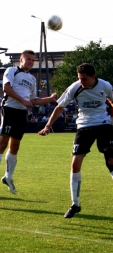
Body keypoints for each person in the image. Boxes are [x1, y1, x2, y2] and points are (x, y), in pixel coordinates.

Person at [38, 63, 113, 218]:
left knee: (111, 158)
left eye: (84, 79)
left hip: (104, 124)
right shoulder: (75, 87)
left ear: (93, 77)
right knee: (75, 164)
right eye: (79, 78)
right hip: (84, 126)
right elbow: (59, 107)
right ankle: (75, 204)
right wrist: (47, 126)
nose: (82, 82)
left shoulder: (105, 86)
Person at [0, 50, 57, 195]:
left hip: (21, 113)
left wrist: (49, 99)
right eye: (28, 59)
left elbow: (33, 100)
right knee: (3, 143)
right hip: (9, 109)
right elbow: (6, 88)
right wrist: (22, 100)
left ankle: (8, 177)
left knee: (15, 146)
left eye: (32, 60)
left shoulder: (32, 78)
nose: (30, 62)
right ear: (21, 59)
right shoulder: (11, 70)